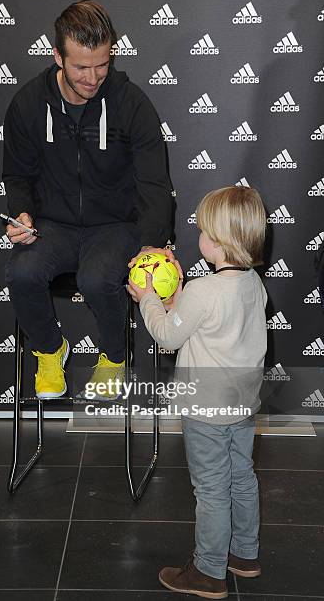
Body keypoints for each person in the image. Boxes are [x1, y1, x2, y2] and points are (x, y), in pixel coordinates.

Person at [2, 0, 174, 399]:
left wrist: (153, 243)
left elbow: (153, 182)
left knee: (97, 278)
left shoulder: (132, 104)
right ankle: (49, 349)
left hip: (115, 225)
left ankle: (114, 357)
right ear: (57, 56)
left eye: (102, 64)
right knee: (22, 273)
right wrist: (22, 214)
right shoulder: (28, 104)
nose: (94, 77)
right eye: (82, 66)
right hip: (53, 225)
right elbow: (16, 175)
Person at [128, 186, 267, 599]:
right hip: (242, 405)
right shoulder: (252, 283)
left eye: (203, 230)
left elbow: (168, 337)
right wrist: (176, 295)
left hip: (205, 410)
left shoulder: (205, 291)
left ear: (219, 243)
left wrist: (149, 297)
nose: (198, 236)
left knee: (210, 487)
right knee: (241, 477)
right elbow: (202, 322)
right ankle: (244, 554)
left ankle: (208, 571)